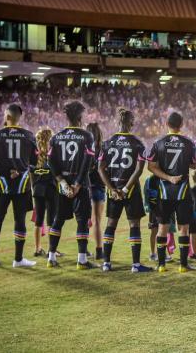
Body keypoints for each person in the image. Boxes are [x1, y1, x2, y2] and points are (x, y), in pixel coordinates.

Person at [0, 104, 37, 268]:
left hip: (2, 185)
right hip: (22, 185)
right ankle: (18, 259)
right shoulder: (28, 136)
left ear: (6, 116)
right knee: (20, 220)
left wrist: (5, 172)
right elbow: (34, 162)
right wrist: (21, 168)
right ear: (19, 117)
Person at [97, 108, 151, 272]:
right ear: (131, 122)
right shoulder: (137, 143)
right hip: (131, 189)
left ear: (118, 122)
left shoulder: (107, 142)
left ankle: (106, 263)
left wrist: (112, 189)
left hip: (113, 190)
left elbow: (100, 168)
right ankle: (135, 265)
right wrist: (126, 188)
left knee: (111, 223)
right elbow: (139, 169)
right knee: (134, 223)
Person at [46, 101, 97, 269]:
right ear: (80, 117)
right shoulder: (86, 136)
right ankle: (81, 260)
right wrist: (77, 184)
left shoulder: (56, 137)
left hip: (62, 186)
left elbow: (50, 161)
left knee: (57, 220)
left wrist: (61, 181)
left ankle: (51, 257)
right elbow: (87, 161)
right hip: (79, 185)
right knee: (82, 221)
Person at [146, 112, 196, 273]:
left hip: (164, 192)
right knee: (184, 228)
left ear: (166, 124)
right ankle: (183, 265)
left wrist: (168, 177)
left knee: (162, 228)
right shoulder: (189, 143)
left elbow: (151, 167)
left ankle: (161, 265)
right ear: (181, 125)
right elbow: (194, 166)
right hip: (183, 192)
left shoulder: (158, 143)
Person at [31, 128, 56, 258]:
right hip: (51, 189)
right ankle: (52, 250)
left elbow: (30, 173)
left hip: (37, 190)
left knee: (38, 220)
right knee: (51, 220)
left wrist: (33, 187)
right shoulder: (52, 153)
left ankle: (37, 248)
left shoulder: (34, 155)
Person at [86, 122, 105, 260]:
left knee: (85, 219)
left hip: (85, 187)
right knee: (97, 220)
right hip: (98, 186)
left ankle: (84, 249)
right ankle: (99, 250)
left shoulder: (84, 148)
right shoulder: (102, 149)